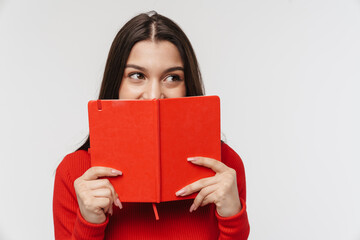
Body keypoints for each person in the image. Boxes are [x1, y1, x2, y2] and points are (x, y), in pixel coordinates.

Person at [53, 11, 250, 240]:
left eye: (172, 78)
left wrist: (233, 218)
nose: (154, 96)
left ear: (188, 87)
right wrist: (89, 223)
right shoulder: (74, 173)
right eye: (137, 75)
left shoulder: (225, 168)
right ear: (116, 83)